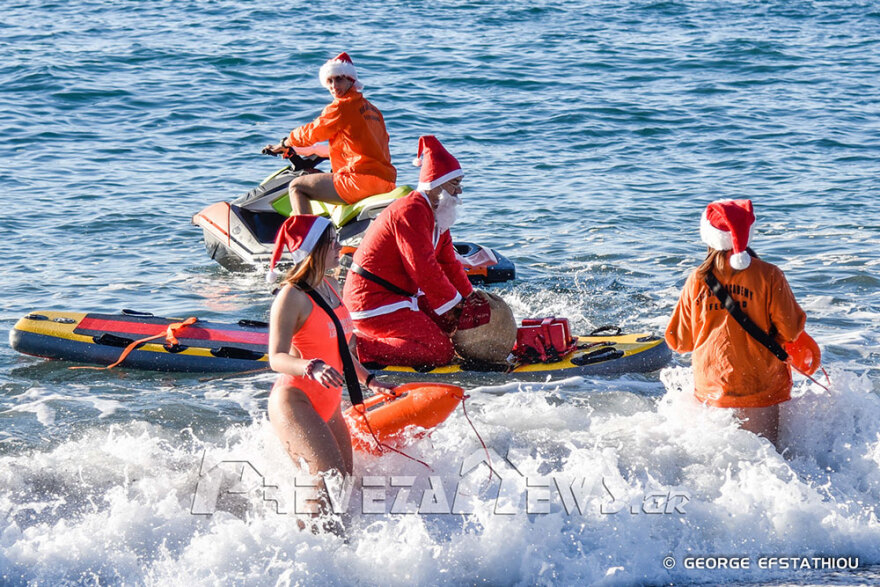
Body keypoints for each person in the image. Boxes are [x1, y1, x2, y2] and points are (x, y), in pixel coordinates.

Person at [266, 214, 395, 509]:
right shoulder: (291, 297)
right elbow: (276, 357)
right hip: (295, 401)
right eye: (332, 242)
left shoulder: (331, 287)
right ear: (313, 249)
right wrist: (311, 367)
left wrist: (370, 381)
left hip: (330, 405)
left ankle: (338, 550)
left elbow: (338, 349)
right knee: (327, 481)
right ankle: (308, 549)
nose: (340, 246)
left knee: (343, 487)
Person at [665, 199, 807, 449]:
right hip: (759, 385)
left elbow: (679, 341)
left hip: (711, 386)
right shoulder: (769, 274)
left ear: (708, 237)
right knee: (767, 463)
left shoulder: (696, 279)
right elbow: (791, 330)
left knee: (717, 467)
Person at [342, 135, 490, 367]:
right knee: (440, 351)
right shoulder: (411, 210)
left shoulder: (437, 215)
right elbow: (423, 267)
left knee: (452, 325)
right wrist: (454, 304)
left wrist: (469, 298)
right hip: (372, 301)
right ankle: (357, 345)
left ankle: (391, 340)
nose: (459, 191)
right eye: (455, 184)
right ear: (436, 184)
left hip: (399, 296)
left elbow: (448, 262)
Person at [263, 52, 397, 216]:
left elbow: (312, 132)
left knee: (297, 187)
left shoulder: (341, 107)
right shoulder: (374, 111)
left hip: (359, 181)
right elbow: (363, 146)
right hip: (386, 182)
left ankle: (305, 238)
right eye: (329, 81)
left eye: (339, 79)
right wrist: (308, 150)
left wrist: (285, 143)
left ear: (351, 79)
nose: (334, 85)